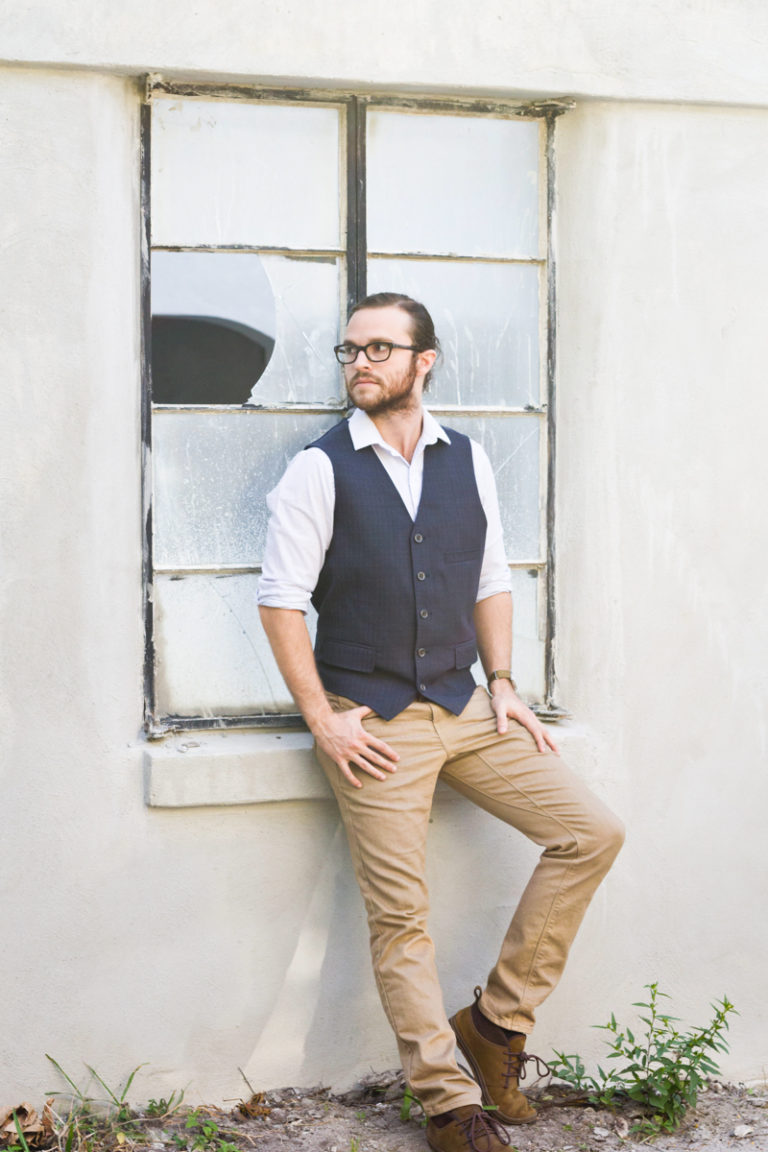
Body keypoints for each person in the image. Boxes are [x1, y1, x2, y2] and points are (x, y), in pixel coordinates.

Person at [258, 293, 624, 1152]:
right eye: (349, 351)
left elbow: (490, 577)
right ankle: (448, 1102)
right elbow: (280, 601)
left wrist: (502, 681)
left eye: (380, 349)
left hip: (464, 704)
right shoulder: (319, 468)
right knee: (402, 916)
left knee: (591, 832)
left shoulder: (466, 458)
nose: (359, 365)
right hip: (373, 719)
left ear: (426, 361)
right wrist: (325, 720)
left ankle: (494, 1028)